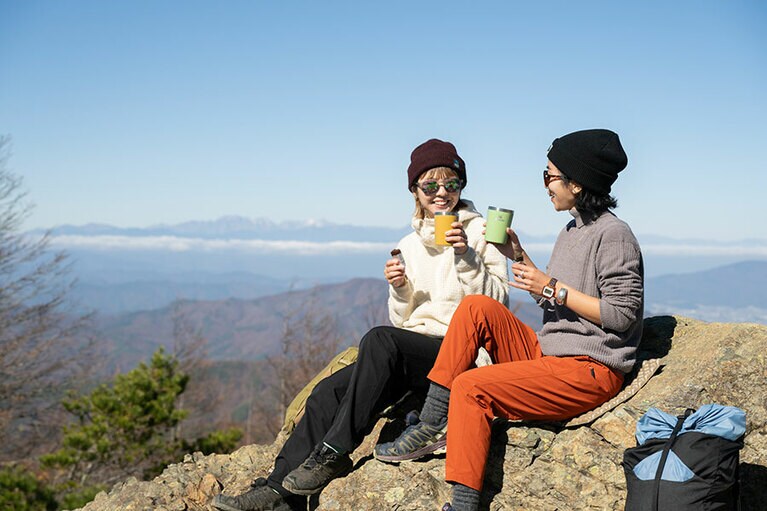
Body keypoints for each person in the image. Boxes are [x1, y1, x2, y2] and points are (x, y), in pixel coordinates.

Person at [213, 138, 509, 511]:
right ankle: (278, 494)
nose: (441, 193)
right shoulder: (409, 243)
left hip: (460, 353)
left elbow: (496, 305)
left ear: (462, 187)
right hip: (415, 350)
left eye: (451, 183)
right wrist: (400, 289)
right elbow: (402, 321)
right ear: (414, 191)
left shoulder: (483, 233)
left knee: (380, 341)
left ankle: (334, 452)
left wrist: (465, 255)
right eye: (430, 185)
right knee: (326, 394)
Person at [375, 129, 644, 511]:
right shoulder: (572, 231)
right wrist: (518, 257)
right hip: (551, 353)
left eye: (549, 175)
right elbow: (548, 297)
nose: (546, 184)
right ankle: (433, 422)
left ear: (577, 182)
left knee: (470, 387)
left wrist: (553, 287)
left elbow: (621, 315)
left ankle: (465, 503)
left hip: (588, 370)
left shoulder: (614, 235)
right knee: (476, 308)